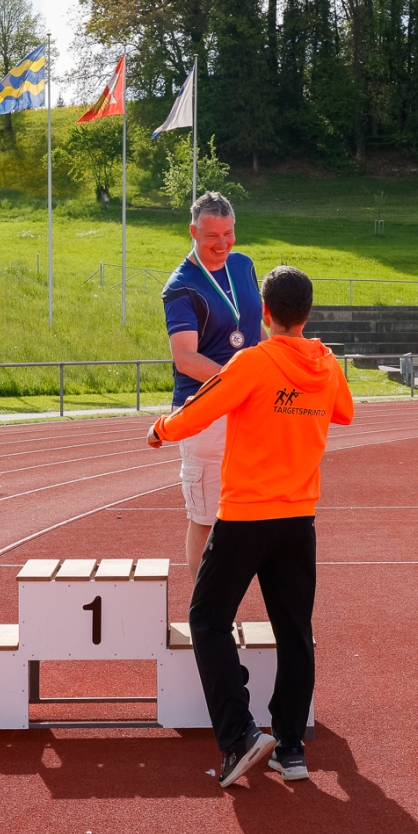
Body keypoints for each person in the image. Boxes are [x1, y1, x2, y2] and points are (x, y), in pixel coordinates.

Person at [147, 266, 354, 788]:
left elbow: (200, 410)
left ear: (263, 313)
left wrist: (161, 429)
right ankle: (290, 748)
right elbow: (344, 413)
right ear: (307, 314)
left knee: (207, 619)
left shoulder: (253, 362)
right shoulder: (326, 364)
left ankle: (239, 735)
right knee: (295, 632)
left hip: (245, 517)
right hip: (298, 518)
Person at [162, 192, 264, 574]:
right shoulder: (181, 286)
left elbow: (254, 331)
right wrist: (239, 382)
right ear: (193, 232)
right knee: (206, 516)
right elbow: (186, 358)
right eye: (212, 236)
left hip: (251, 407)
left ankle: (230, 597)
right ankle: (203, 605)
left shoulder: (244, 265)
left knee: (252, 512)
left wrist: (276, 368)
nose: (223, 244)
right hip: (205, 410)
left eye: (229, 233)